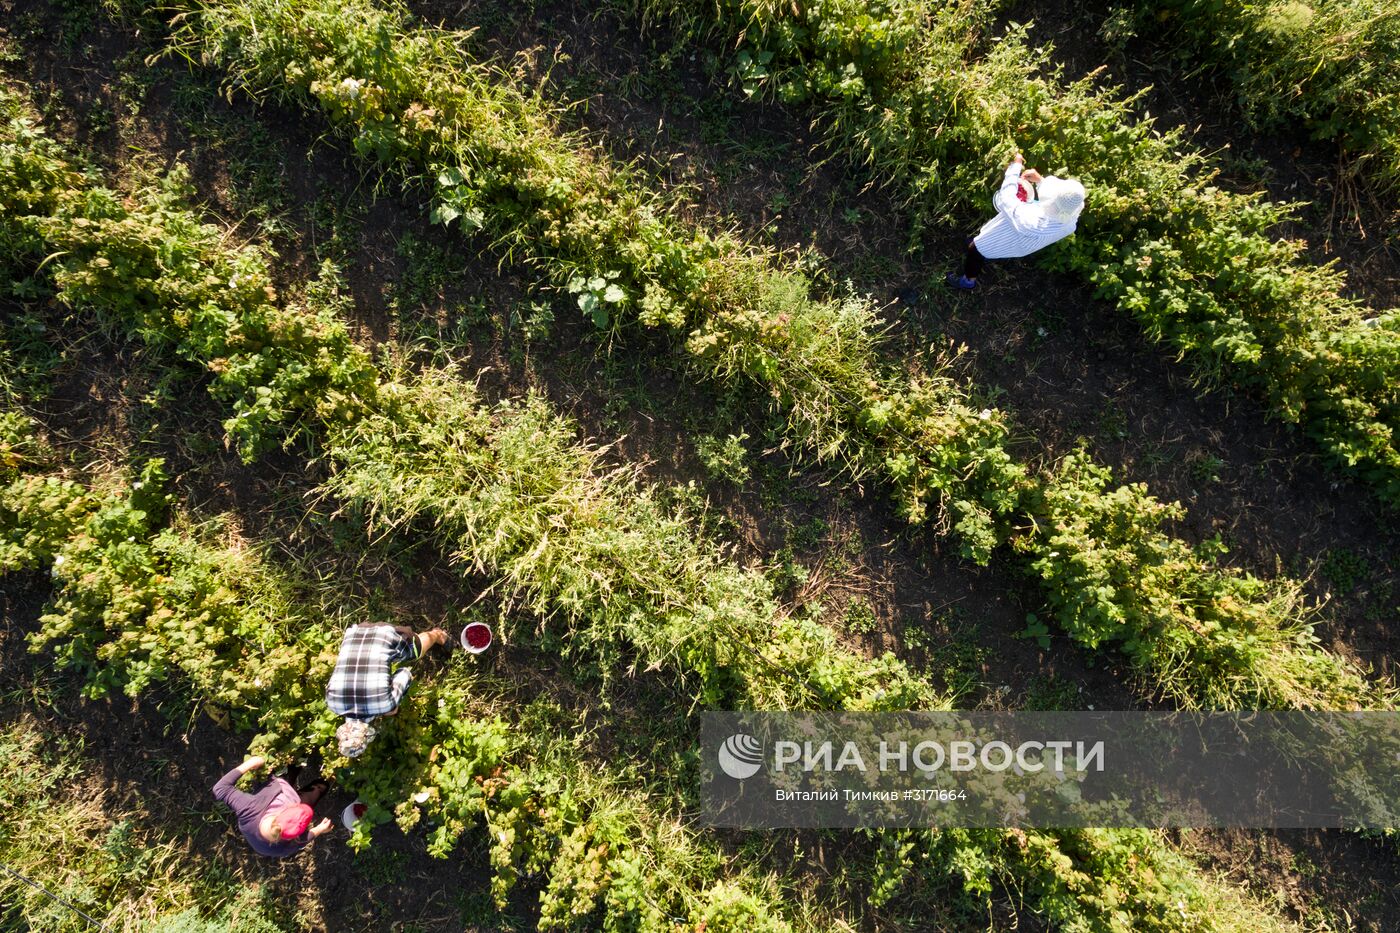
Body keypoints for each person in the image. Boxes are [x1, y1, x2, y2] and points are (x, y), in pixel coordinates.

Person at [947, 152, 1085, 291]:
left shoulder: (1031, 221)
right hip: (1025, 238)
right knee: (984, 240)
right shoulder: (1071, 214)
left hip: (1013, 236)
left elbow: (1007, 198)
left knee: (976, 249)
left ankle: (968, 281)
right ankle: (980, 247)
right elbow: (1058, 198)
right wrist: (1040, 181)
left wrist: (1015, 166)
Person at [326, 623, 449, 758]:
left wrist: (391, 705)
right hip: (355, 631)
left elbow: (404, 673)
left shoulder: (384, 705)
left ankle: (437, 635)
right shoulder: (332, 703)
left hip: (386, 635)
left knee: (415, 650)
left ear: (367, 733)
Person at [212, 755, 331, 858]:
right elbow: (303, 839)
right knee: (321, 787)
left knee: (294, 761)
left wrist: (251, 763)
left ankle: (297, 765)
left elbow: (220, 788)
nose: (297, 803)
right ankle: (324, 780)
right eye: (298, 805)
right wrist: (320, 829)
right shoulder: (282, 847)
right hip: (283, 789)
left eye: (297, 805)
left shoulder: (249, 809)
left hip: (277, 781)